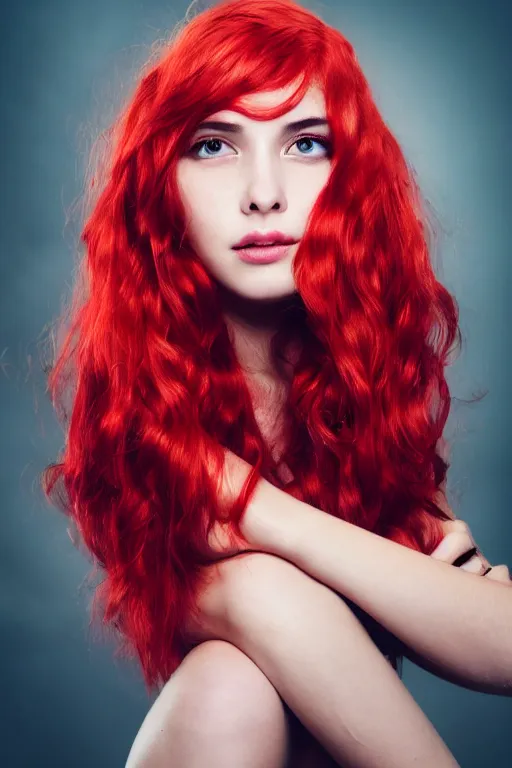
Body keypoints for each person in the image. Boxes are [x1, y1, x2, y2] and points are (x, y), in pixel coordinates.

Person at [40, 0, 511, 766]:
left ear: (347, 172)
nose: (264, 192)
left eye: (305, 143)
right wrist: (399, 571)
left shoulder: (358, 385)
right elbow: (267, 595)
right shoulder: (147, 418)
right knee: (234, 671)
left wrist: (266, 514)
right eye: (215, 145)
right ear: (163, 182)